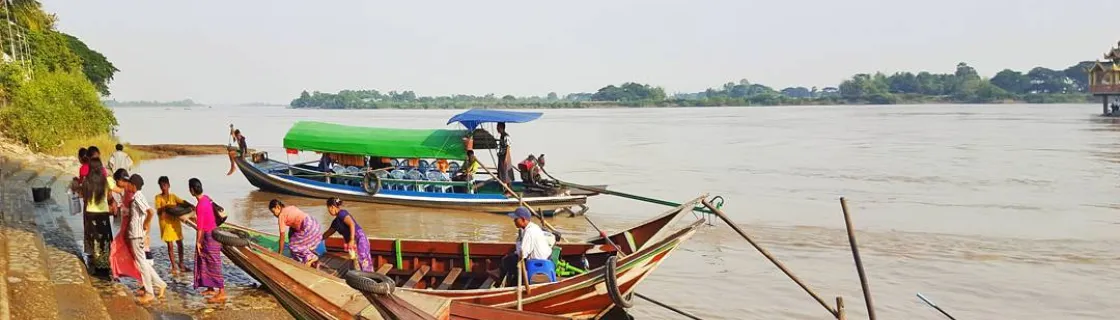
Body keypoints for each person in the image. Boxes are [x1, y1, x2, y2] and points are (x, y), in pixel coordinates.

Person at [123, 174, 167, 303]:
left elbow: (150, 212)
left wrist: (146, 223)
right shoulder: (137, 197)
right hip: (136, 233)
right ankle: (160, 283)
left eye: (129, 184)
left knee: (142, 263)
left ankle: (149, 292)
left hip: (137, 234)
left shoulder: (137, 197)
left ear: (133, 185)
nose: (128, 186)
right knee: (143, 262)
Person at [190, 178, 226, 303]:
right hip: (213, 233)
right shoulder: (207, 198)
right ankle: (210, 287)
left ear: (192, 190)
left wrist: (198, 242)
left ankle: (222, 292)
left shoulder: (200, 205)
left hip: (209, 236)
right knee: (206, 261)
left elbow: (200, 227)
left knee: (214, 262)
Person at [498, 207, 554, 287]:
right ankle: (511, 282)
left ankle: (512, 284)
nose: (514, 221)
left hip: (537, 261)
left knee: (507, 261)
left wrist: (517, 249)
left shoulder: (529, 232)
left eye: (516, 219)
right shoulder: (534, 227)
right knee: (511, 259)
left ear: (523, 219)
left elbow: (522, 254)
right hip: (546, 257)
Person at [320, 198, 373, 272]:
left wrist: (351, 240)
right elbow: (326, 234)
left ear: (332, 207)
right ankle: (359, 278)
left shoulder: (342, 213)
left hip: (358, 238)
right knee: (354, 262)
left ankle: (368, 280)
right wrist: (316, 239)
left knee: (363, 260)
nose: (328, 211)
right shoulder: (335, 222)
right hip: (351, 243)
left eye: (328, 208)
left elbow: (352, 224)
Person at [81, 158, 116, 271]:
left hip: (90, 213)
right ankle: (105, 265)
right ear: (100, 168)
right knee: (104, 239)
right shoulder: (107, 180)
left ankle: (98, 264)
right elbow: (115, 192)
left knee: (95, 239)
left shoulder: (86, 181)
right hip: (102, 214)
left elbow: (83, 197)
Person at [154, 176, 191, 276]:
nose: (164, 188)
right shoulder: (158, 198)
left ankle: (181, 264)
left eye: (165, 185)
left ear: (169, 185)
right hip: (165, 224)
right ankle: (174, 265)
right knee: (170, 245)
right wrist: (166, 207)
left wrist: (191, 206)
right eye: (161, 186)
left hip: (175, 223)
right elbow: (158, 211)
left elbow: (183, 202)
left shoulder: (173, 197)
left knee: (180, 243)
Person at [268, 199, 322, 267]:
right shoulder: (291, 207)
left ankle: (312, 257)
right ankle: (311, 260)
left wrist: (280, 254)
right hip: (314, 224)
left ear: (278, 207)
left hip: (307, 226)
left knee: (293, 245)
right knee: (296, 242)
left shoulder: (281, 216)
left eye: (273, 212)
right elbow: (293, 226)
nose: (274, 214)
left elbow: (282, 236)